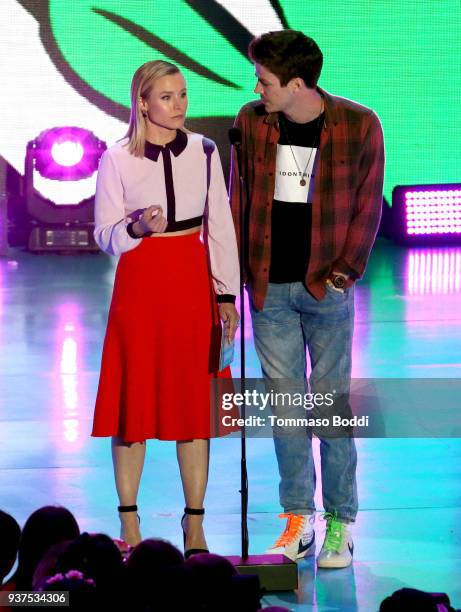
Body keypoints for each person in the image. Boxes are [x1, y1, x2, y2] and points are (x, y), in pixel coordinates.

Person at [230, 30, 384, 568]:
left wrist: (345, 273)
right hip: (269, 288)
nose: (258, 87)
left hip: (326, 286)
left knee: (329, 409)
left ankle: (340, 522)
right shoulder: (253, 121)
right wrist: (236, 277)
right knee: (288, 412)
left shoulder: (359, 124)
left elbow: (368, 205)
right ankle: (298, 519)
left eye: (266, 80)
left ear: (297, 84)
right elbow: (237, 197)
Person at [91, 60, 240, 556]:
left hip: (191, 283)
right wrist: (135, 229)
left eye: (182, 95)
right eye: (168, 96)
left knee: (195, 408)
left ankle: (194, 525)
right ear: (143, 102)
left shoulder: (204, 150)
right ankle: (129, 524)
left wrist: (225, 294)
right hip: (140, 286)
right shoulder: (115, 158)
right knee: (134, 405)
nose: (179, 105)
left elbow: (220, 223)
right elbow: (104, 234)